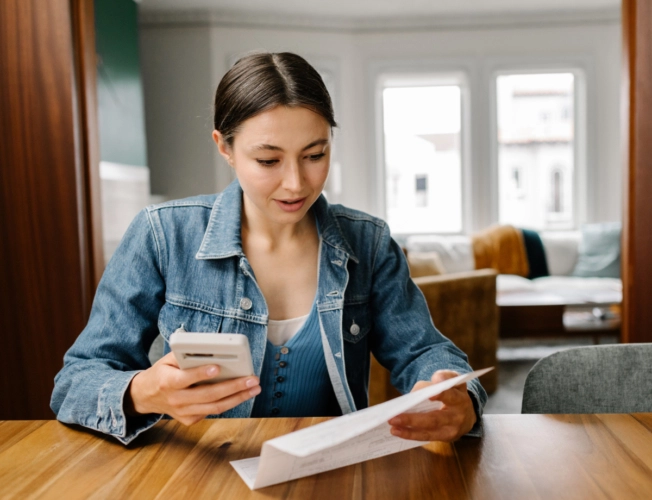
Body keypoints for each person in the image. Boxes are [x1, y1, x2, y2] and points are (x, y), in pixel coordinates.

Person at [51, 52, 487, 445]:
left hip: (331, 473)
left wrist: (456, 397)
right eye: (268, 161)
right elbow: (75, 382)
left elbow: (425, 351)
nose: (296, 183)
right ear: (225, 147)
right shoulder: (163, 235)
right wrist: (140, 393)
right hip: (194, 478)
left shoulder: (368, 243)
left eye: (314, 154)